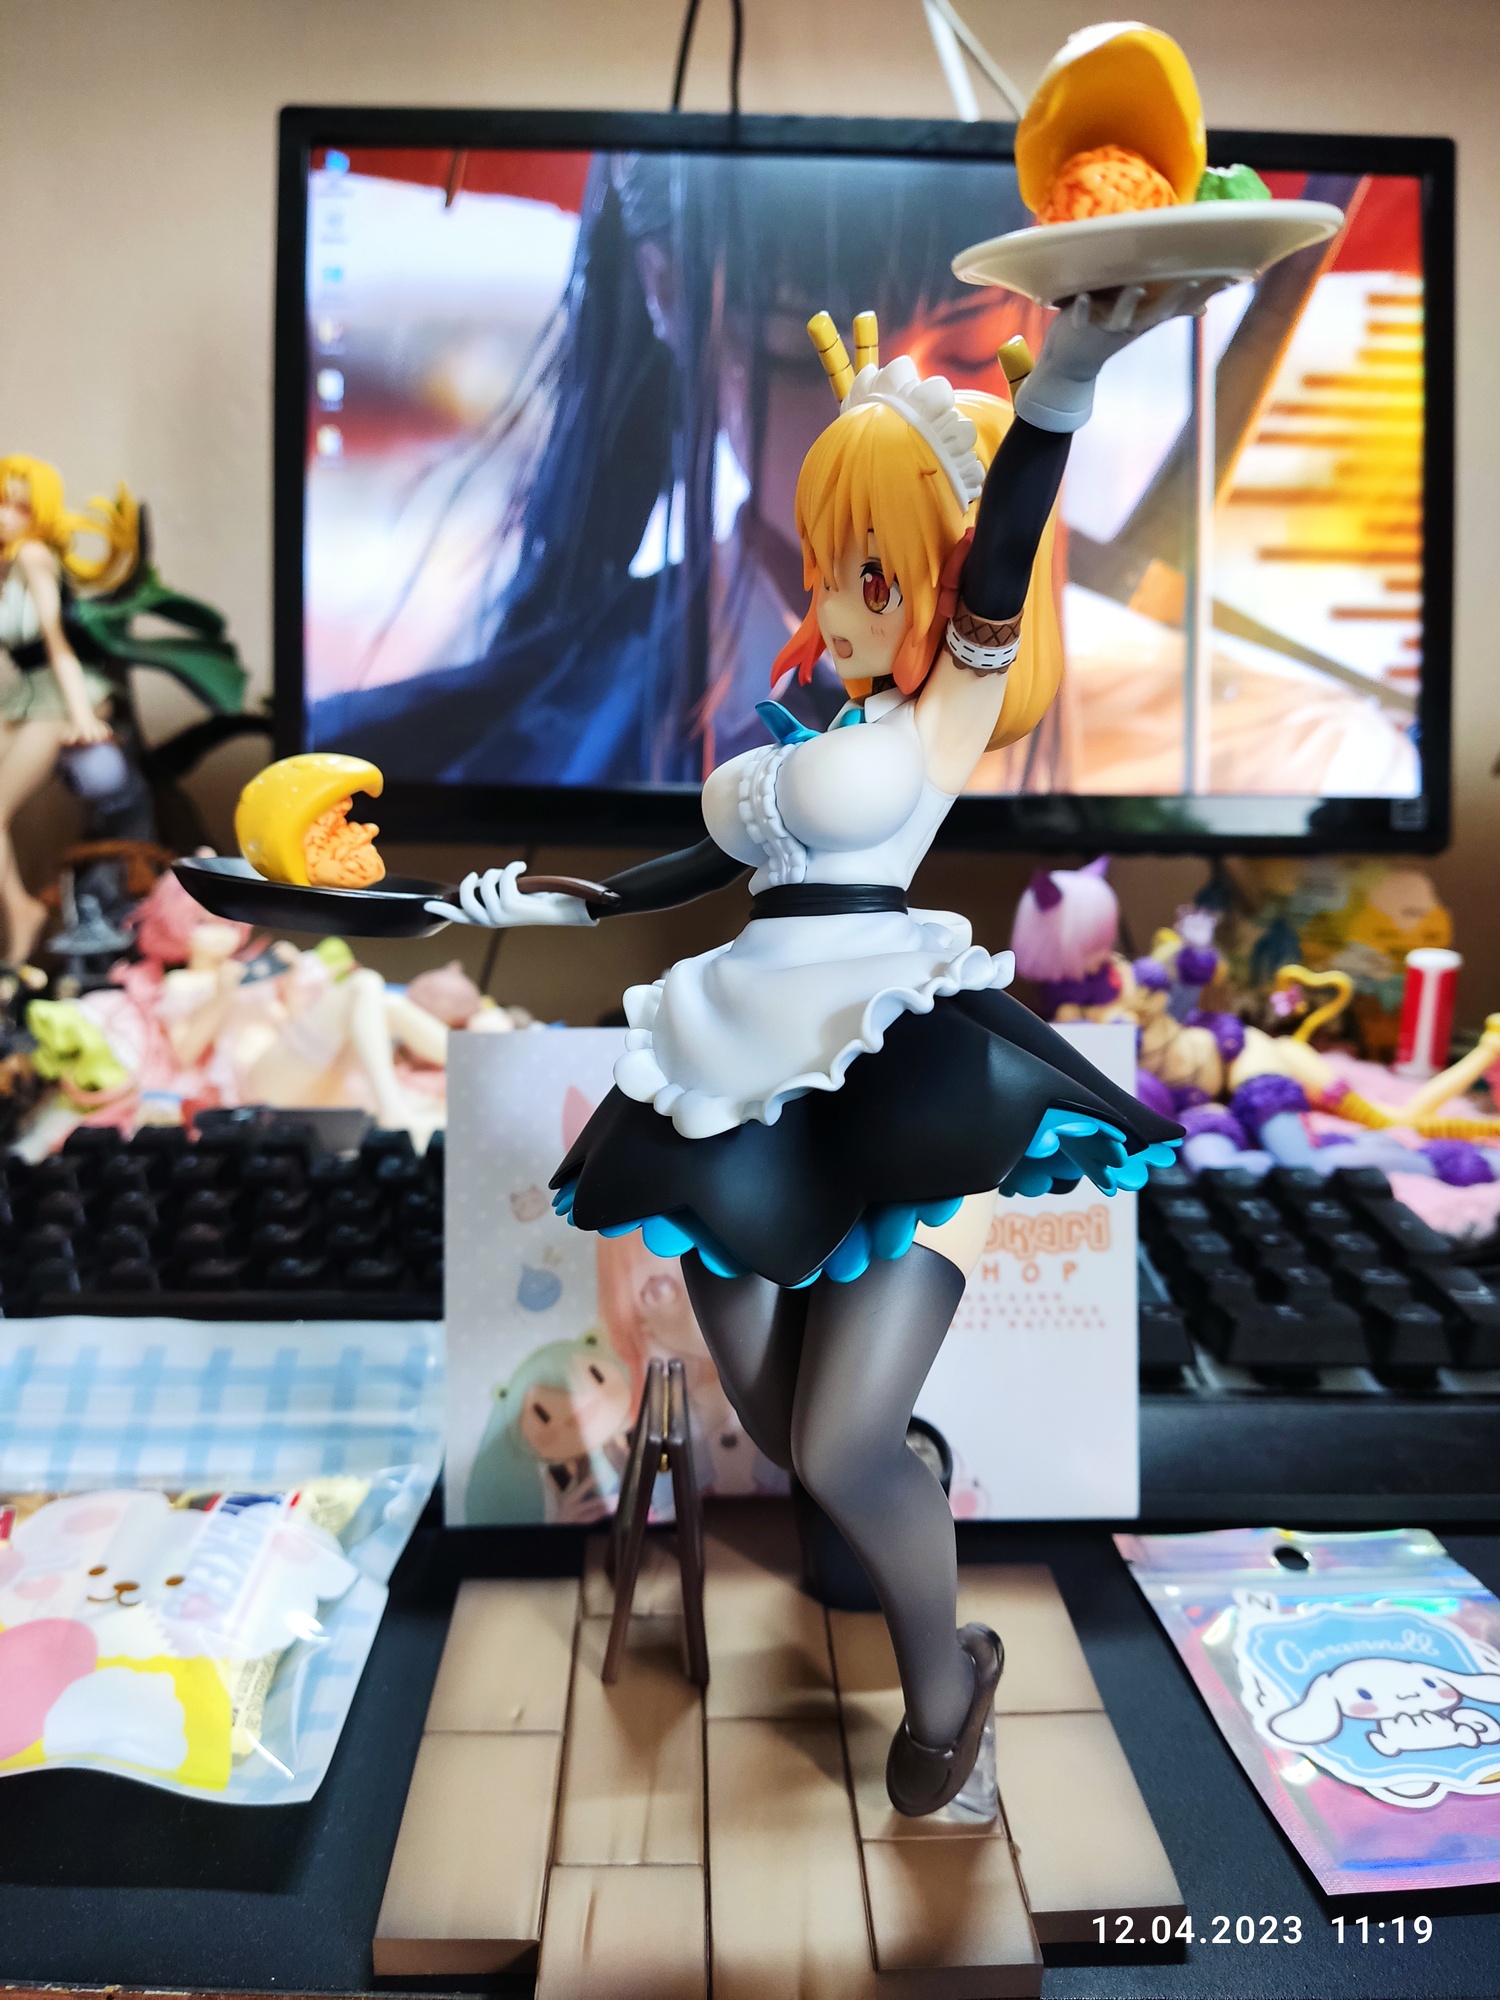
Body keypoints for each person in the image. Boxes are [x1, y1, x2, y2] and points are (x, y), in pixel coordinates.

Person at [430, 286, 1199, 1816]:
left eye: (873, 574)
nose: (839, 606)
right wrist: (540, 897)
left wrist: (1065, 384)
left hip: (887, 1069)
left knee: (839, 1446)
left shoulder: (941, 717)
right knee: (792, 1435)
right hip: (726, 1081)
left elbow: (1000, 558)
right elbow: (684, 873)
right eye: (828, 566)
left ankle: (947, 1690)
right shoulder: (801, 735)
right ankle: (904, 1490)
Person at [0, 456, 134, 963]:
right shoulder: (7, 564)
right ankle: (20, 907)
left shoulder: (34, 556)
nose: (6, 514)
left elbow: (58, 643)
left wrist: (82, 715)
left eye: (20, 505)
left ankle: (21, 913)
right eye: (1, 501)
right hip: (26, 694)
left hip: (60, 692)